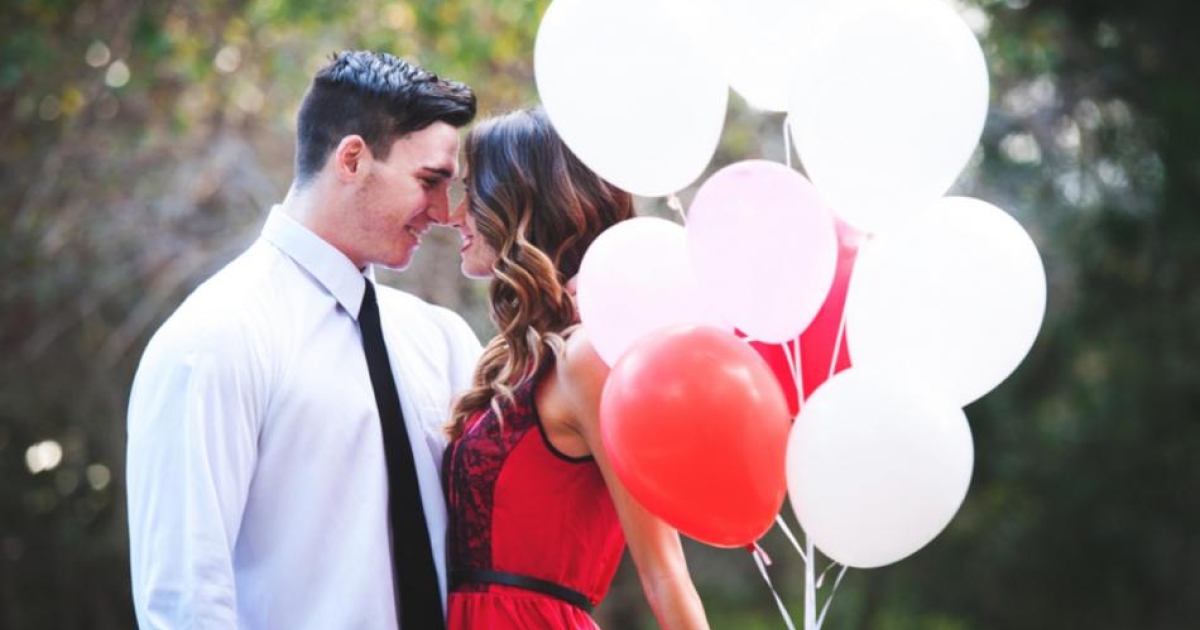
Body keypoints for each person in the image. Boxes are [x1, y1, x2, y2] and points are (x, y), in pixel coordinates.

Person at [126, 51, 481, 629]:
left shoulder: (443, 340)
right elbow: (185, 601)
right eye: (429, 181)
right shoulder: (215, 338)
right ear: (352, 159)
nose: (444, 212)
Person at [436, 108, 711, 629]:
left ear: (519, 203)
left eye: (471, 194)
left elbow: (664, 570)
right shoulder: (517, 361)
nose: (454, 216)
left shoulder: (586, 358)